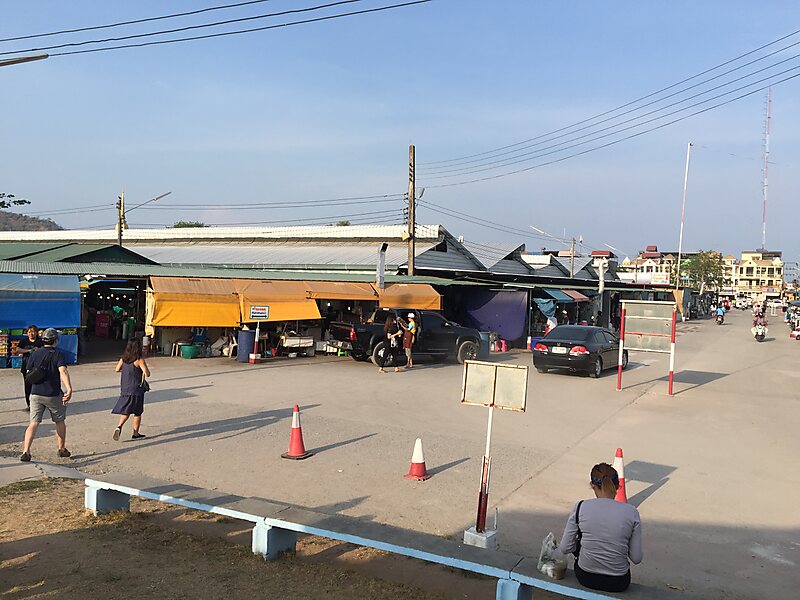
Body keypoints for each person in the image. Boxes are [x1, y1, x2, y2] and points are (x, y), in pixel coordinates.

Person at [559, 462, 642, 593]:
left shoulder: (581, 507)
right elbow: (636, 558)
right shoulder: (631, 512)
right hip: (618, 581)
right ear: (618, 486)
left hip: (586, 576)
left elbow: (565, 548)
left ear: (592, 486)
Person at [20, 328, 73, 462]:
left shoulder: (35, 354)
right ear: (56, 340)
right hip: (53, 394)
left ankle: (26, 451)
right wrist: (69, 389)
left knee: (33, 423)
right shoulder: (58, 354)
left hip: (35, 393)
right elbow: (63, 371)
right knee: (59, 421)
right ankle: (61, 449)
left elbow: (28, 371)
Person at [112, 339, 151, 441]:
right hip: (136, 390)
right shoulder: (139, 360)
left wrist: (125, 371)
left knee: (126, 410)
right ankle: (135, 433)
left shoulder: (123, 359)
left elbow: (116, 369)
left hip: (125, 388)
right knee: (137, 412)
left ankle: (119, 426)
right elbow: (147, 373)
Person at [16, 325, 43, 410]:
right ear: (27, 333)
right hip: (26, 366)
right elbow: (17, 350)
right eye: (29, 332)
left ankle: (40, 403)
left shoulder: (40, 341)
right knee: (28, 386)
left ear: (36, 332)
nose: (31, 334)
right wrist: (29, 350)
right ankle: (29, 404)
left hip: (38, 367)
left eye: (33, 331)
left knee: (39, 385)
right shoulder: (24, 342)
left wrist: (38, 350)